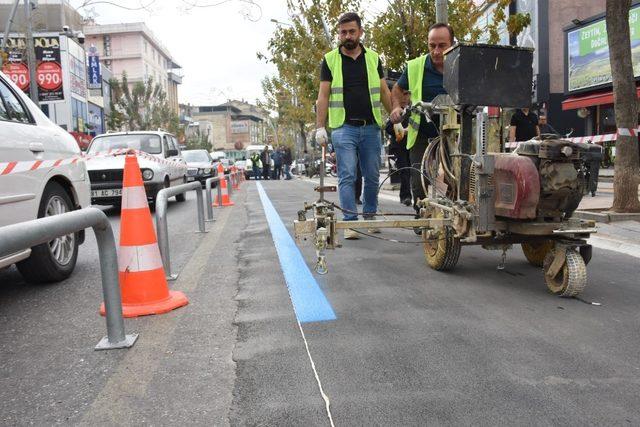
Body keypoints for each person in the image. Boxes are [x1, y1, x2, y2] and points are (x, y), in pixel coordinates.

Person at [315, 12, 392, 240]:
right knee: (347, 175)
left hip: (371, 127)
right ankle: (350, 221)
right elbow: (323, 95)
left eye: (351, 31)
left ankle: (369, 217)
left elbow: (384, 91)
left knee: (372, 175)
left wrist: (395, 118)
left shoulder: (374, 58)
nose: (347, 36)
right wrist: (320, 127)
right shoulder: (330, 60)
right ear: (339, 33)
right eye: (343, 32)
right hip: (343, 128)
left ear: (360, 32)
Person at [391, 23, 453, 219]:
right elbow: (398, 90)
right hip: (422, 134)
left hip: (454, 134)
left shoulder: (461, 65)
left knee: (455, 178)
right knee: (419, 178)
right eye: (431, 45)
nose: (436, 51)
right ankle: (423, 218)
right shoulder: (416, 66)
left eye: (442, 46)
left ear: (452, 44)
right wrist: (396, 107)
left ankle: (450, 218)